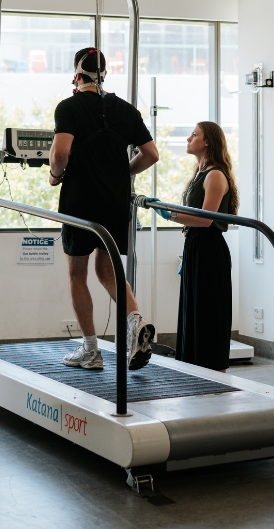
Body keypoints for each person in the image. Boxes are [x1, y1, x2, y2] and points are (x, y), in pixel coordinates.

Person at [49, 47, 160, 371]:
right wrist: (119, 174)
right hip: (114, 202)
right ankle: (136, 323)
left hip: (80, 202)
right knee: (108, 270)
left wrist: (55, 177)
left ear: (77, 75)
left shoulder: (69, 107)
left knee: (77, 273)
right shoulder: (125, 109)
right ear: (104, 74)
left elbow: (60, 153)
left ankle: (90, 349)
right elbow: (151, 154)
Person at [154, 121, 238, 372]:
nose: (188, 139)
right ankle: (193, 368)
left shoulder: (215, 174)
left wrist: (169, 214)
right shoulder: (199, 173)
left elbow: (205, 219)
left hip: (209, 248)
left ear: (207, 141)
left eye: (194, 135)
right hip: (195, 245)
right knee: (193, 309)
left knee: (209, 311)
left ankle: (213, 370)